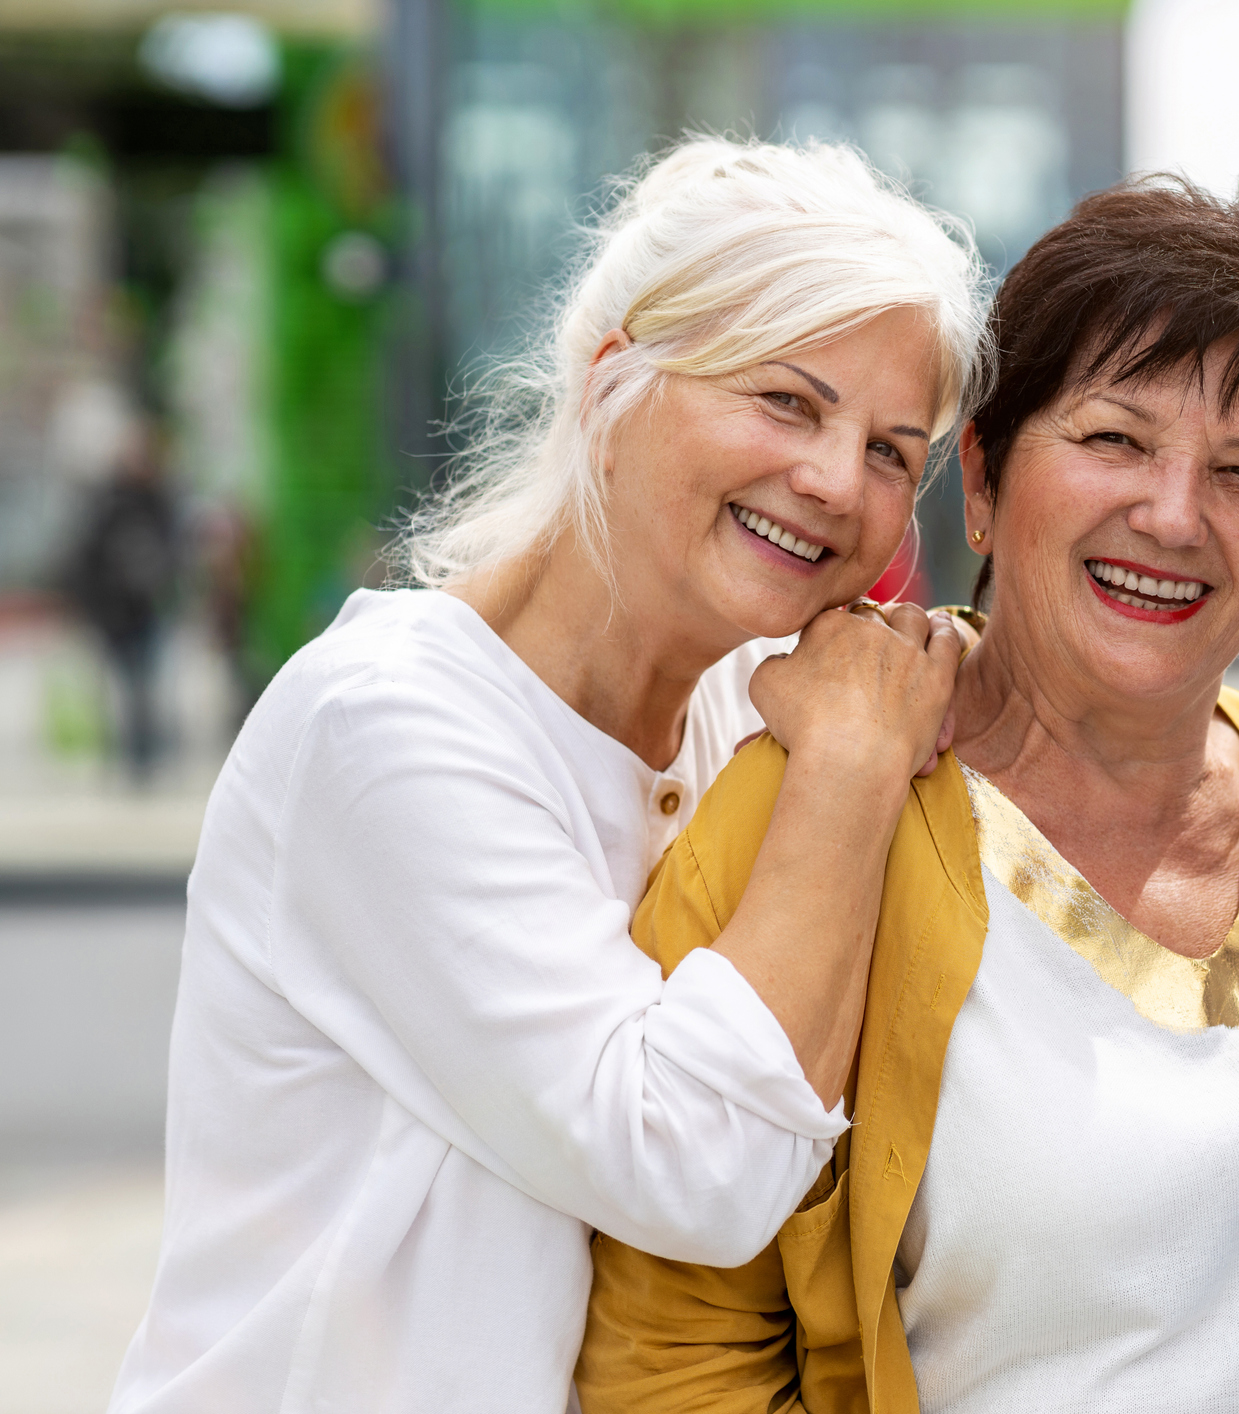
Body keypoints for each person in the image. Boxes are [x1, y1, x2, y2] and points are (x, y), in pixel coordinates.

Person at [112, 138, 987, 1414]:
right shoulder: (384, 727)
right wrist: (852, 763)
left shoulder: (743, 718)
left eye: (892, 450)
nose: (833, 480)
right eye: (786, 401)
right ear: (612, 379)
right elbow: (696, 1171)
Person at [575, 178, 1239, 1414]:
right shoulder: (815, 801)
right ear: (980, 476)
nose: (1173, 513)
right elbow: (672, 1352)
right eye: (1114, 440)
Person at [68, 416, 179, 783]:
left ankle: (145, 757)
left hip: (148, 610)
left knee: (145, 685)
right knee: (123, 686)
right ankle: (130, 756)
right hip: (114, 613)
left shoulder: (160, 500)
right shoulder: (107, 502)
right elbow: (85, 557)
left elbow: (175, 550)